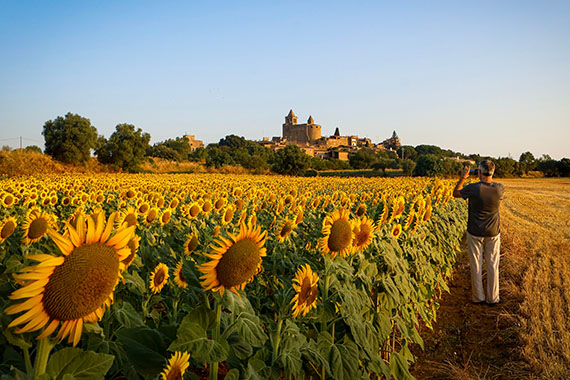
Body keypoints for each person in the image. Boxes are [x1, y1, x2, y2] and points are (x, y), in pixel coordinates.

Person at [453, 160, 504, 305]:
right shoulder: (499, 188)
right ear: (493, 172)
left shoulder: (473, 188)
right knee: (493, 264)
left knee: (476, 264)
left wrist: (463, 178)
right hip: (493, 232)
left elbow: (455, 193)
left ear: (479, 172)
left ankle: (478, 297)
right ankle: (493, 298)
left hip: (475, 231)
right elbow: (492, 185)